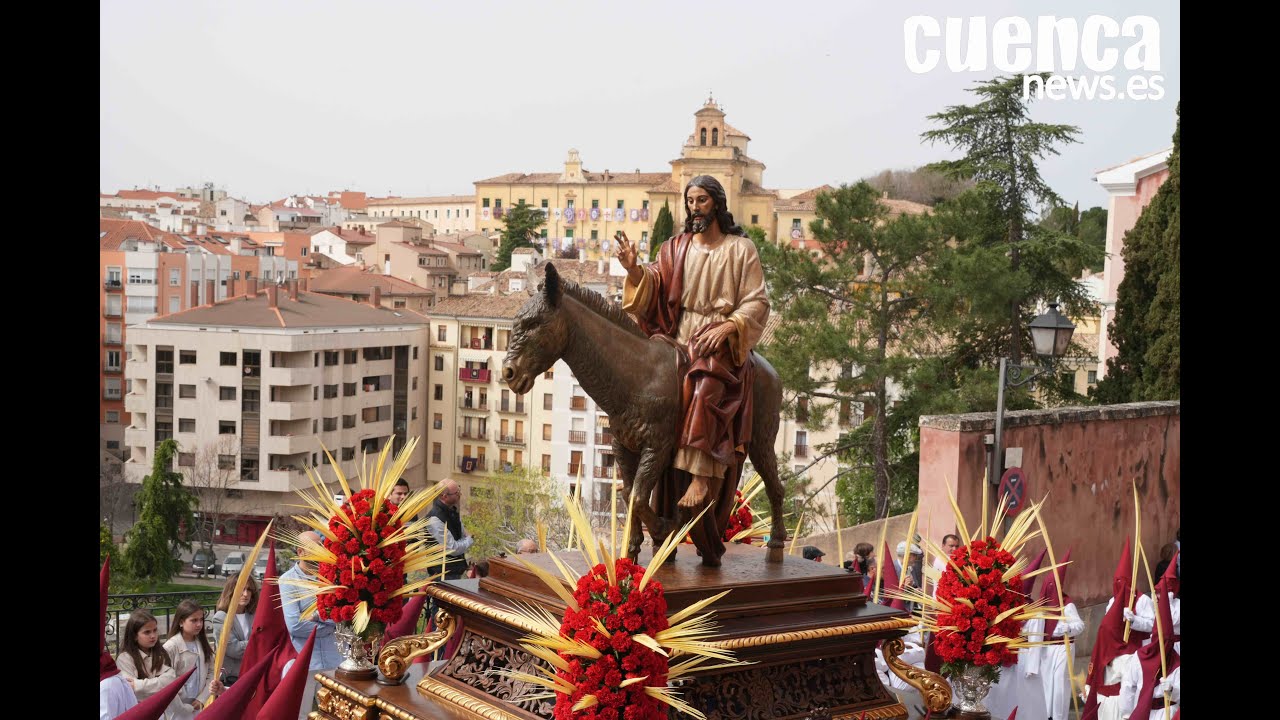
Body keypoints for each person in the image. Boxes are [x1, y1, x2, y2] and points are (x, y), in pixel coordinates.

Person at [616, 175, 770, 566]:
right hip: (677, 336)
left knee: (705, 384)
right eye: (690, 201)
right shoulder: (674, 247)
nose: (694, 207)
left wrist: (730, 325)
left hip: (719, 339)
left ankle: (702, 474)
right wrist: (634, 272)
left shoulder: (741, 249)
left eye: (702, 200)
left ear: (716, 203)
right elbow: (653, 287)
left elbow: (757, 301)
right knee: (649, 395)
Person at [280, 531, 341, 670]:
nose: (320, 551)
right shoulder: (288, 581)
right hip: (307, 663)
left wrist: (316, 616)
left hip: (336, 659)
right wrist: (330, 627)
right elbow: (295, 626)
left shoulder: (332, 577)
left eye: (321, 546)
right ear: (300, 552)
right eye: (314, 547)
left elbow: (342, 617)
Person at [162, 599, 221, 718]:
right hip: (177, 710)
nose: (199, 624)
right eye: (194, 620)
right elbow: (166, 682)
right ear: (181, 622)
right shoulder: (171, 647)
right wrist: (183, 706)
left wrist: (202, 699)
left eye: (201, 620)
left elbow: (211, 672)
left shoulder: (202, 644)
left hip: (199, 705)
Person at [115, 609, 177, 704]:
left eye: (155, 630)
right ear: (135, 636)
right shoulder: (125, 659)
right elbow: (130, 689)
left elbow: (171, 680)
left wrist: (139, 685)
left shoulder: (161, 653)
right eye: (147, 632)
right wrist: (158, 685)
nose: (153, 636)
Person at [209, 575, 259, 685]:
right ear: (231, 591)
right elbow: (234, 649)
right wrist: (257, 642)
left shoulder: (254, 615)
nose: (245, 594)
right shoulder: (221, 618)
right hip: (231, 679)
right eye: (241, 589)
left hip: (252, 675)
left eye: (249, 589)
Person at [425, 479, 473, 580]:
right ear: (444, 496)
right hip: (443, 575)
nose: (460, 494)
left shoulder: (452, 512)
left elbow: (461, 537)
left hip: (455, 571)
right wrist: (469, 539)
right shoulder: (435, 519)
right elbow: (453, 548)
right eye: (456, 493)